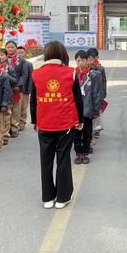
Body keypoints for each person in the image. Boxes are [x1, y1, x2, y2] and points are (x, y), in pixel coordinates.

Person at [30, 41, 84, 209]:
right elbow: (78, 99)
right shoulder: (70, 73)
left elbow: (33, 101)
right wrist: (80, 120)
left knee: (45, 160)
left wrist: (34, 121)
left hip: (44, 123)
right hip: (65, 124)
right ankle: (62, 197)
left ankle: (47, 198)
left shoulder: (37, 74)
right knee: (63, 159)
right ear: (63, 54)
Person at [74, 50, 103, 165]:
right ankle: (78, 152)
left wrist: (96, 109)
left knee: (87, 132)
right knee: (76, 133)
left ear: (87, 61)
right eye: (77, 60)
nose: (80, 63)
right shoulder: (72, 74)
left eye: (82, 60)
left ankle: (85, 153)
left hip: (88, 109)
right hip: (75, 110)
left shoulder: (94, 75)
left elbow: (98, 93)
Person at [6, 40, 28, 138]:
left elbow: (24, 74)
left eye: (12, 47)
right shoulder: (2, 59)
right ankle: (6, 129)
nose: (10, 49)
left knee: (16, 109)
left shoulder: (21, 60)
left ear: (16, 48)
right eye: (8, 47)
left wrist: (19, 85)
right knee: (7, 109)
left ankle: (14, 128)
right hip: (6, 88)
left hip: (17, 89)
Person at [0, 48, 14, 145]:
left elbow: (15, 81)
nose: (0, 57)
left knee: (6, 116)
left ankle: (6, 135)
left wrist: (5, 74)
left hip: (7, 96)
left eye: (2, 55)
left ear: (6, 56)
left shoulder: (9, 68)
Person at [87, 48, 106, 135]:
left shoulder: (100, 68)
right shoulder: (85, 68)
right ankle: (90, 128)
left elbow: (103, 81)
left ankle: (96, 128)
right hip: (88, 94)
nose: (89, 61)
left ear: (96, 58)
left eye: (91, 59)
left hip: (98, 93)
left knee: (97, 111)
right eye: (88, 59)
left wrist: (103, 94)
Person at [16, 46, 33, 132]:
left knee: (23, 107)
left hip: (25, 89)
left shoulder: (28, 64)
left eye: (21, 52)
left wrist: (29, 90)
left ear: (25, 53)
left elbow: (30, 78)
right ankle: (16, 123)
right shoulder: (14, 64)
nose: (20, 54)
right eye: (18, 53)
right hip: (16, 90)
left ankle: (22, 122)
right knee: (17, 108)